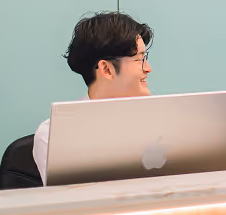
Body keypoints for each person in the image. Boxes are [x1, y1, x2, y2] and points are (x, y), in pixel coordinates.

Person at [33, 12, 153, 185]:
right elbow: (72, 204)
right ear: (106, 69)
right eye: (139, 59)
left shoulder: (158, 122)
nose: (148, 68)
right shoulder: (55, 134)